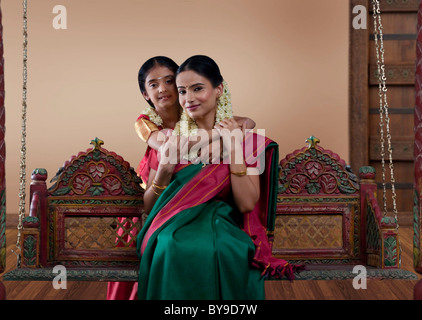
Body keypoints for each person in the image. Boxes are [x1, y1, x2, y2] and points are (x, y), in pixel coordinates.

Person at [136, 55, 301, 300]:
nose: (189, 98)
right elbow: (149, 206)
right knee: (171, 245)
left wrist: (233, 147)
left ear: (219, 89)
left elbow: (246, 204)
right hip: (170, 226)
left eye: (198, 88)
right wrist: (165, 170)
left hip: (225, 226)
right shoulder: (169, 141)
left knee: (226, 248)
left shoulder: (249, 141)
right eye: (182, 91)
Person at [107, 56, 256, 300]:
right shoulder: (150, 125)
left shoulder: (210, 121)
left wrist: (226, 142)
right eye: (153, 84)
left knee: (218, 246)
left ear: (217, 90)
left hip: (209, 213)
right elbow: (168, 145)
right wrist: (212, 140)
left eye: (169, 82)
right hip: (158, 197)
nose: (163, 89)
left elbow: (247, 123)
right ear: (145, 93)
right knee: (168, 244)